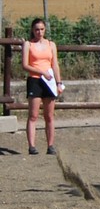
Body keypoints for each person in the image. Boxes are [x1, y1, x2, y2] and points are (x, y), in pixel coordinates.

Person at [21, 18, 64, 155]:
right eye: (36, 29)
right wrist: (41, 72)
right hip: (35, 80)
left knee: (49, 115)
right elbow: (25, 65)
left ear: (45, 30)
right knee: (33, 115)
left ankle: (50, 145)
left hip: (49, 81)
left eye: (41, 29)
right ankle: (32, 146)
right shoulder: (28, 44)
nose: (39, 32)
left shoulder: (51, 45)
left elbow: (55, 64)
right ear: (33, 30)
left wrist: (58, 82)